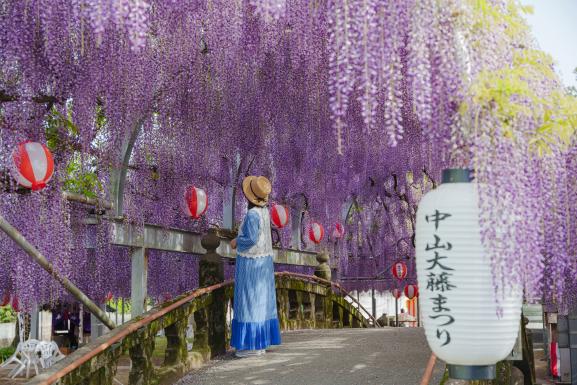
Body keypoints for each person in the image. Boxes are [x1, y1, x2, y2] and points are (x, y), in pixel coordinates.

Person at [230, 175, 281, 357]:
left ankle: (250, 346)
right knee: (261, 301)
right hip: (264, 263)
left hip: (251, 264)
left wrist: (236, 241)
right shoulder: (265, 213)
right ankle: (259, 343)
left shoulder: (252, 214)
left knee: (248, 300)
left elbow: (250, 239)